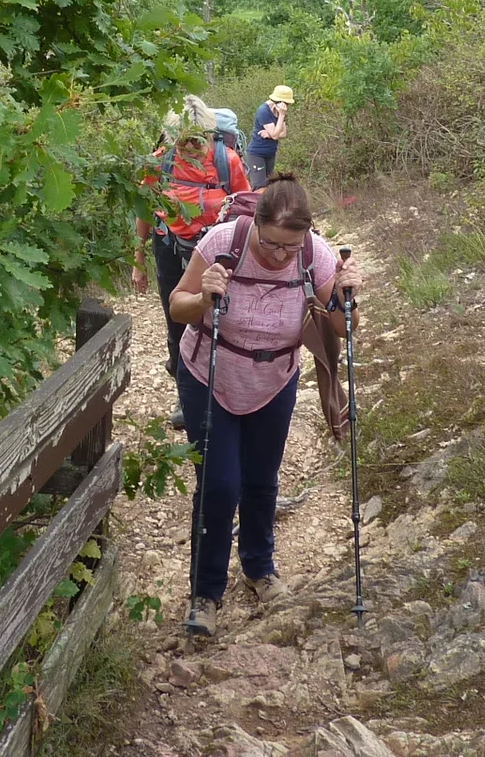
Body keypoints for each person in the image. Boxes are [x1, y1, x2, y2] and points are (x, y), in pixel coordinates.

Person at [166, 174, 361, 635]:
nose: (279, 256)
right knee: (219, 484)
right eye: (271, 244)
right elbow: (178, 306)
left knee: (261, 479)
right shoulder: (222, 242)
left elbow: (338, 327)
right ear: (255, 224)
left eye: (289, 248)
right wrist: (204, 297)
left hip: (275, 379)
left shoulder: (314, 253)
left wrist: (349, 296)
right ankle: (206, 592)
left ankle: (259, 567)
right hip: (209, 376)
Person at [132, 95, 250, 427]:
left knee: (219, 317)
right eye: (184, 142)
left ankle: (224, 388)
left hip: (215, 251)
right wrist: (138, 259)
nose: (192, 149)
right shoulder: (159, 163)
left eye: (199, 141)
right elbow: (144, 207)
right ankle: (186, 395)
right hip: (169, 246)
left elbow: (245, 207)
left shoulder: (228, 162)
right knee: (177, 318)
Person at [246, 84, 294, 189]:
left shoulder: (281, 112)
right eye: (284, 103)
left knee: (269, 185)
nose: (285, 106)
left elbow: (283, 133)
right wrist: (281, 117)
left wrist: (270, 134)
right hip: (257, 153)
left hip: (270, 153)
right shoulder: (263, 111)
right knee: (259, 186)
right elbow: (276, 135)